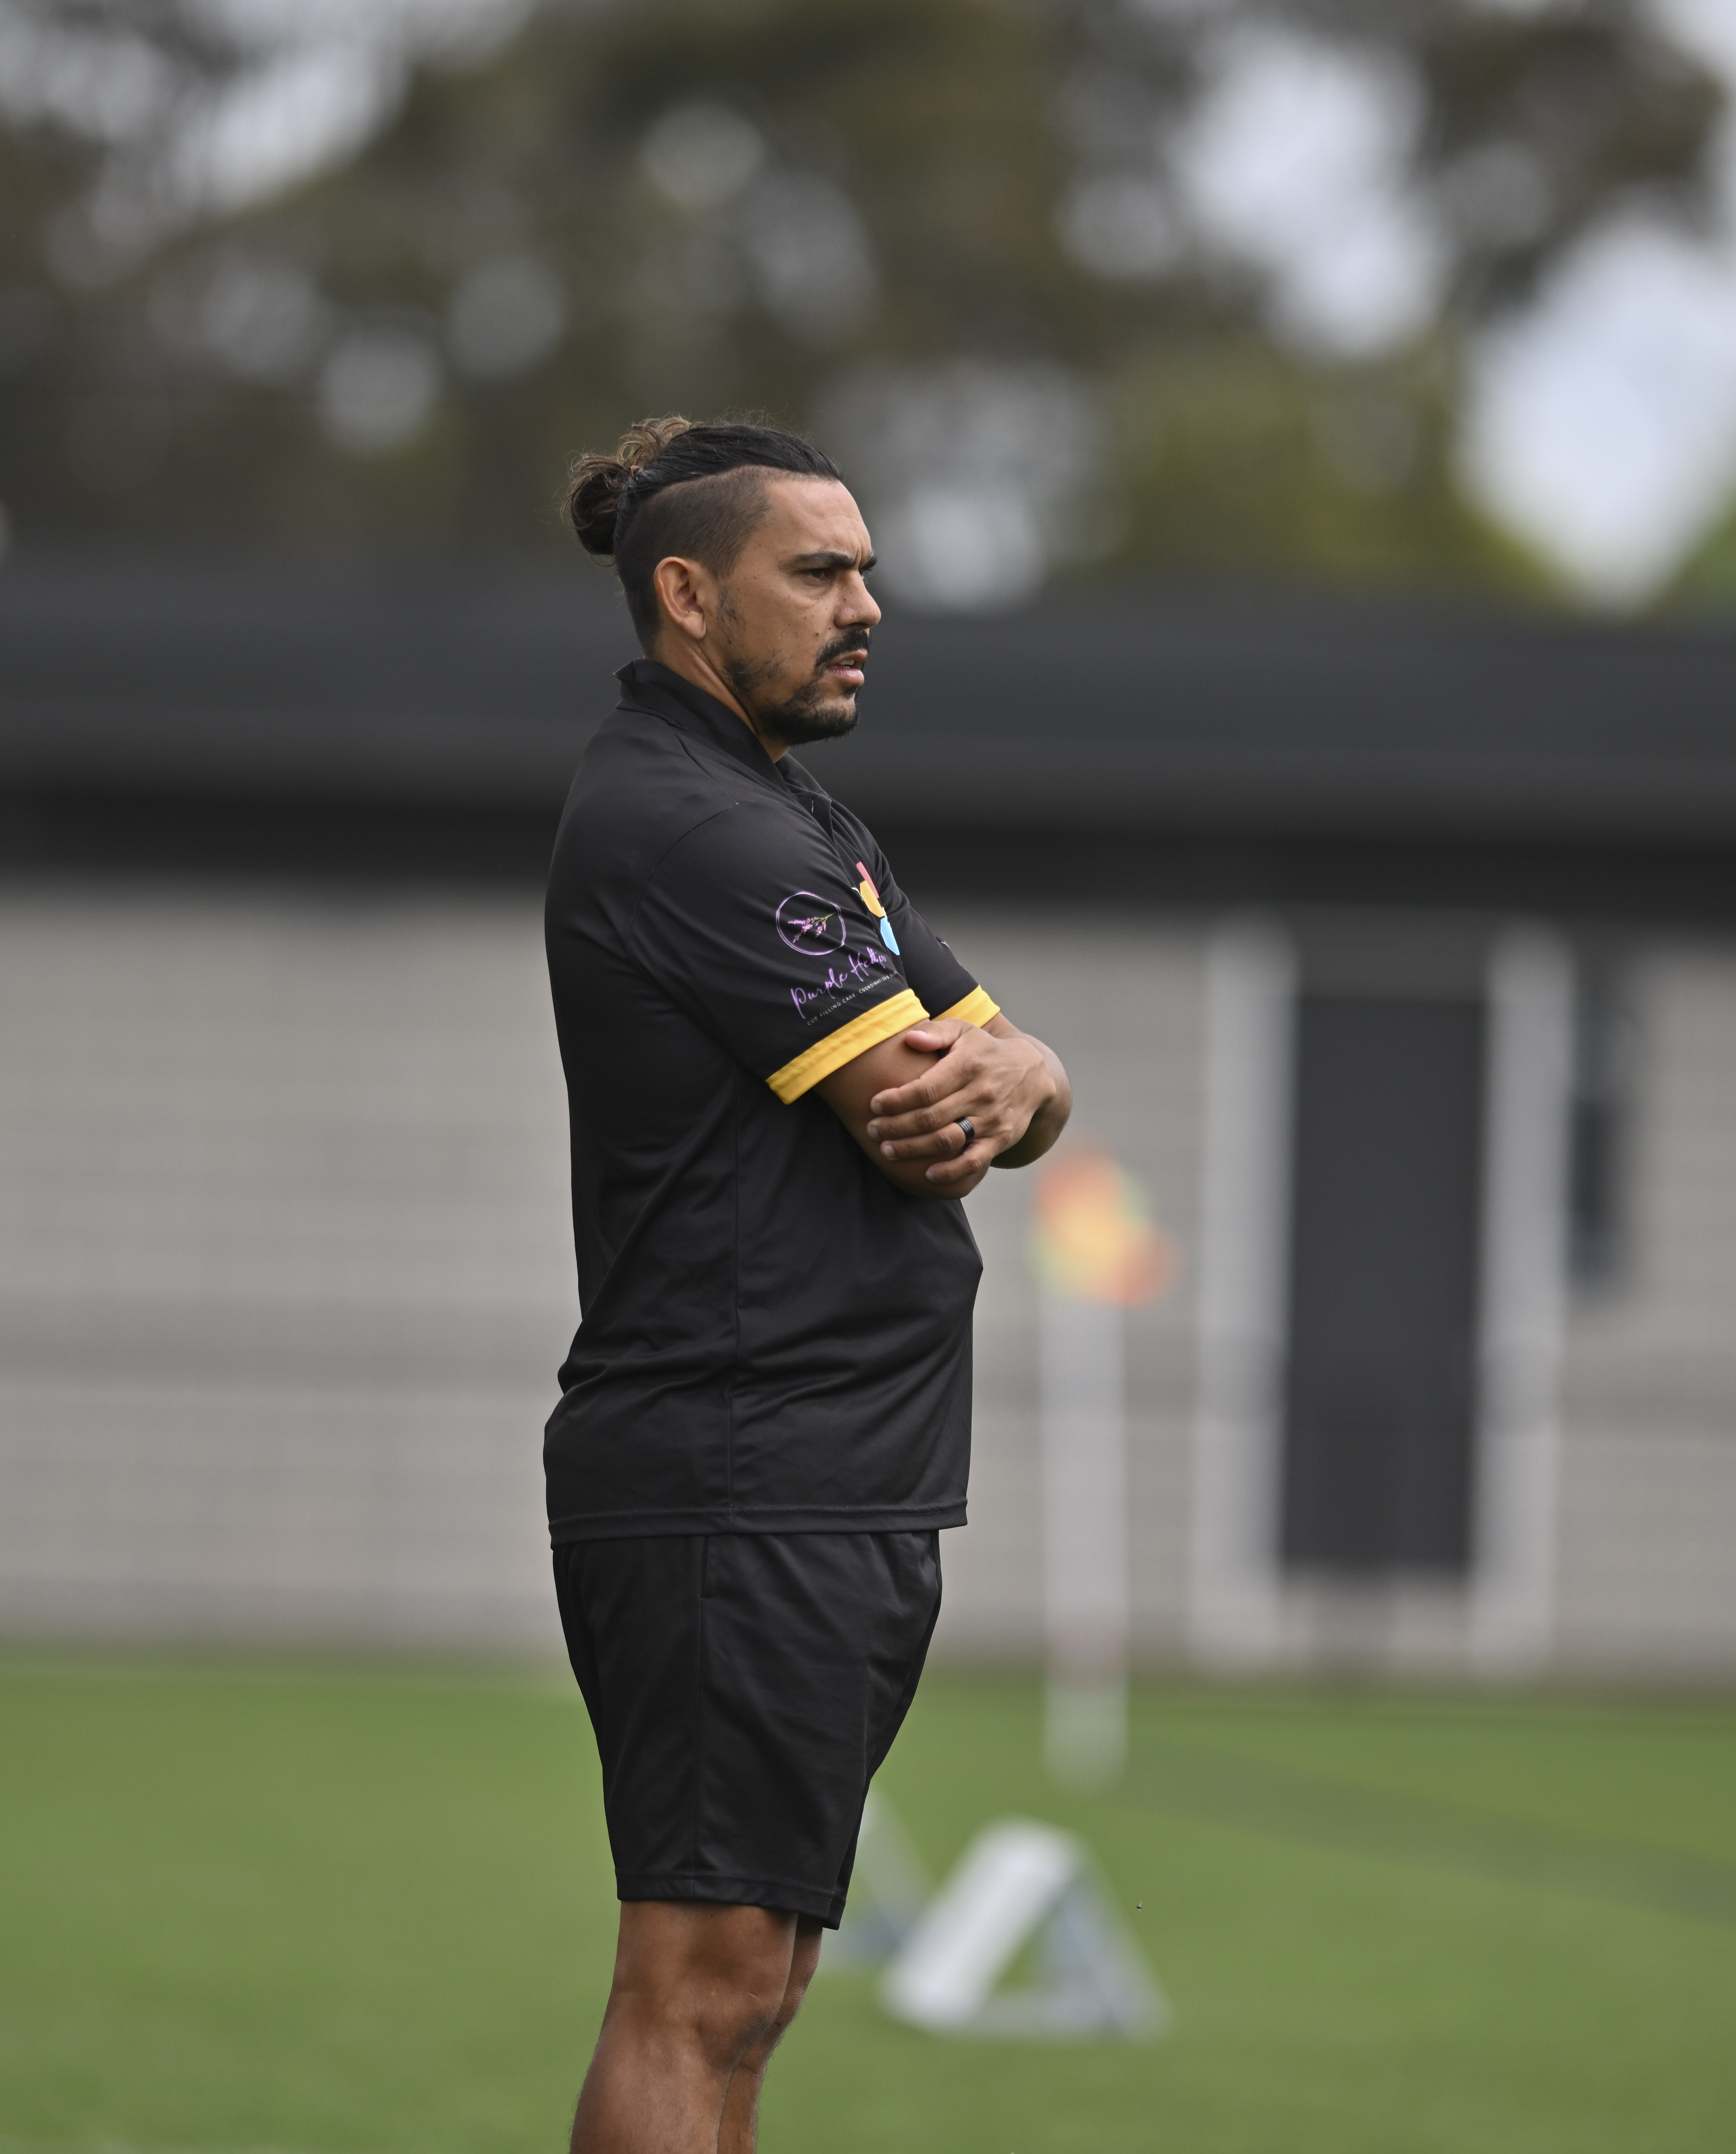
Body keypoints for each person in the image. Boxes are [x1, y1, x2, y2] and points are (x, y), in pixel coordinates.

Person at [543, 416, 1073, 2154]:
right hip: (738, 1468)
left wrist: (1032, 1069)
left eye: (868, 572)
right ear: (688, 596)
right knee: (699, 1984)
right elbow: (930, 1119)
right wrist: (1001, 1082)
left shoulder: (796, 813)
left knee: (755, 1989)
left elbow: (1017, 1079)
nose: (868, 607)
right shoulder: (698, 827)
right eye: (822, 572)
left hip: (824, 1471)